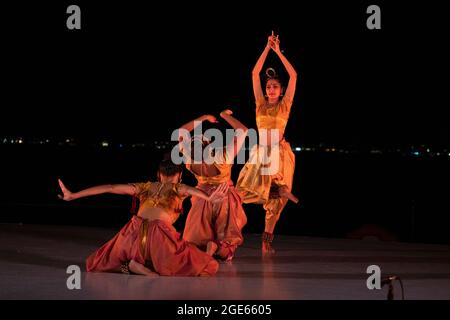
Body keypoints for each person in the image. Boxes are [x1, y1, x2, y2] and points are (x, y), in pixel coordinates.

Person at [57, 158, 228, 276]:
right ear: (179, 176)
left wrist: (73, 195)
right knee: (207, 265)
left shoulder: (145, 187)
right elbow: (191, 190)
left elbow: (110, 187)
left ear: (159, 175)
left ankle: (133, 264)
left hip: (131, 235)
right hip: (159, 237)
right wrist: (208, 198)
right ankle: (141, 265)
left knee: (103, 259)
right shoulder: (177, 188)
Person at [236, 32, 299, 255]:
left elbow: (293, 75)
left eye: (275, 86)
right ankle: (227, 231)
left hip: (279, 155)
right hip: (261, 153)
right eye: (269, 86)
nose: (271, 89)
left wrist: (277, 52)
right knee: (241, 192)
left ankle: (266, 241)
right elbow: (254, 73)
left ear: (281, 91)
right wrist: (266, 47)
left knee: (276, 200)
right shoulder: (260, 104)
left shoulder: (285, 105)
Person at [177, 109, 248, 261]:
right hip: (224, 196)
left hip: (202, 197)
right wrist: (224, 116)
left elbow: (182, 131)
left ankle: (206, 247)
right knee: (226, 232)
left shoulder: (189, 158)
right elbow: (243, 130)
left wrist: (203, 117)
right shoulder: (223, 155)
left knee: (200, 231)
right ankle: (219, 248)